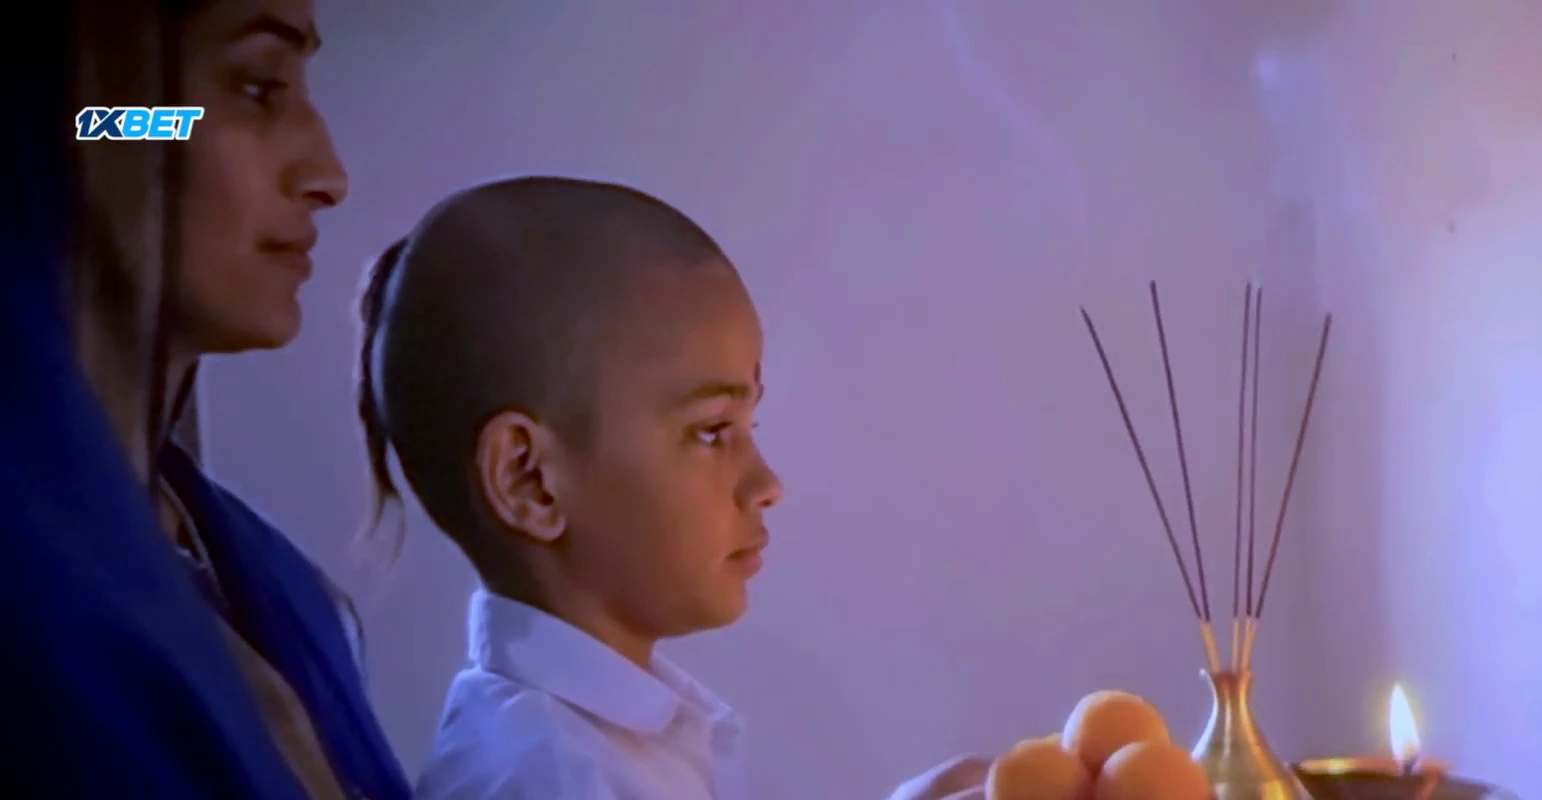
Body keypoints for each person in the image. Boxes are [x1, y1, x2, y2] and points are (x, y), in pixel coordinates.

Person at [356, 176, 988, 800]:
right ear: (531, 479)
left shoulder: (621, 742)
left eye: (750, 426)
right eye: (712, 432)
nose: (767, 485)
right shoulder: (541, 778)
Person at [4, 0, 410, 796]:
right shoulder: (24, 600)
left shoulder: (278, 588)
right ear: (83, 114)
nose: (327, 176)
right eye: (258, 88)